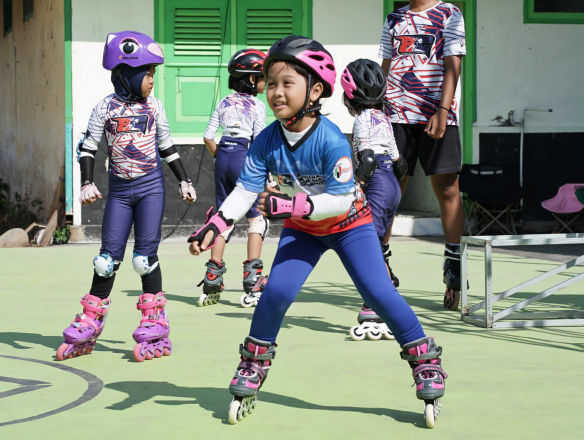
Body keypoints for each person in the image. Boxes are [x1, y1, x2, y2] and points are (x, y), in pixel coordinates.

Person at [188, 35, 448, 429]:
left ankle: (424, 358)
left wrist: (290, 206)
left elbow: (341, 201)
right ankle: (254, 363)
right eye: (270, 83)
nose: (275, 92)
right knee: (274, 293)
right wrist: (217, 223)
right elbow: (245, 189)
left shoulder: (330, 140)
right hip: (304, 230)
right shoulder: (265, 140)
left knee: (378, 293)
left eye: (286, 83)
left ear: (315, 90)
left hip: (350, 226)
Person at [55, 31, 197, 363]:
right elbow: (88, 147)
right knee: (106, 260)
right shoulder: (104, 108)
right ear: (126, 72)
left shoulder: (155, 107)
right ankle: (91, 320)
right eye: (147, 74)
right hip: (119, 191)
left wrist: (184, 180)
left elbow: (166, 147)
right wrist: (87, 183)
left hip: (150, 188)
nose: (151, 81)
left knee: (143, 259)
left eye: (153, 74)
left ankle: (155, 321)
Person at [379, 0, 467, 310]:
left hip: (437, 116)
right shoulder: (394, 17)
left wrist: (443, 111)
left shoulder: (449, 13)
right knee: (388, 189)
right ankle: (382, 263)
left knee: (447, 189)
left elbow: (453, 64)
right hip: (395, 117)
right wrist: (375, 110)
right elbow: (386, 67)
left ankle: (454, 263)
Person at [340, 58, 408, 341]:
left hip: (377, 180)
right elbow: (398, 160)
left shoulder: (361, 120)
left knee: (367, 241)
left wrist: (359, 185)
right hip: (393, 181)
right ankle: (387, 280)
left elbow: (366, 157)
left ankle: (374, 303)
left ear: (349, 95)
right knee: (378, 240)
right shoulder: (383, 117)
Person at [198, 49, 269, 308]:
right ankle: (253, 280)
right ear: (251, 80)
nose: (266, 82)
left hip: (223, 157)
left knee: (222, 217)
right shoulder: (258, 105)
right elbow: (259, 143)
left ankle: (212, 277)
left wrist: (220, 157)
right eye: (263, 77)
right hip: (244, 159)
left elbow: (207, 137)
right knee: (256, 219)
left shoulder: (223, 102)